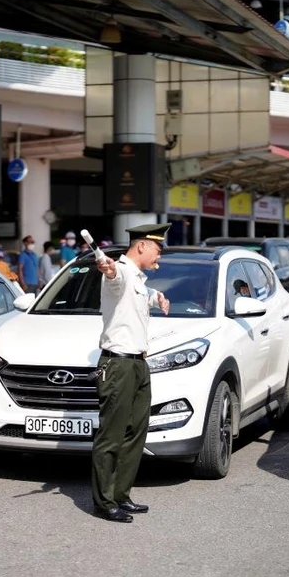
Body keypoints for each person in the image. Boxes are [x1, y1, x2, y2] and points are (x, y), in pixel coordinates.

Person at [92, 222, 171, 523]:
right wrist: (108, 269)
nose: (159, 258)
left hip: (138, 363)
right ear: (142, 246)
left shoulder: (138, 279)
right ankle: (104, 501)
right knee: (111, 435)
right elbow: (115, 278)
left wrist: (157, 297)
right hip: (118, 365)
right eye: (157, 250)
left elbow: (140, 293)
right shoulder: (122, 272)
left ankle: (121, 494)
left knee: (136, 432)